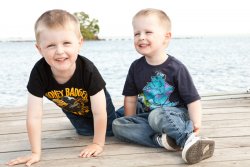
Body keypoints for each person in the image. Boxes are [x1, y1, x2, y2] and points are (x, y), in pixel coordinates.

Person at [7, 9, 116, 166]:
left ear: (79, 43)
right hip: (75, 113)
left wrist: (98, 143)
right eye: (51, 45)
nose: (60, 51)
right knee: (84, 132)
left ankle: (134, 110)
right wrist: (35, 153)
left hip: (99, 107)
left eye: (66, 43)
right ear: (39, 49)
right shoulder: (39, 73)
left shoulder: (88, 70)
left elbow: (100, 112)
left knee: (112, 130)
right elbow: (34, 116)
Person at [112, 8, 215, 164]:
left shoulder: (176, 68)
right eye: (137, 33)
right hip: (148, 113)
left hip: (174, 114)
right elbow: (131, 99)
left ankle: (188, 139)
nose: (141, 37)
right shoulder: (135, 67)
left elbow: (192, 100)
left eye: (148, 32)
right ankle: (162, 140)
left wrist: (196, 123)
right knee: (118, 124)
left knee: (157, 115)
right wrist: (130, 122)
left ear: (166, 37)